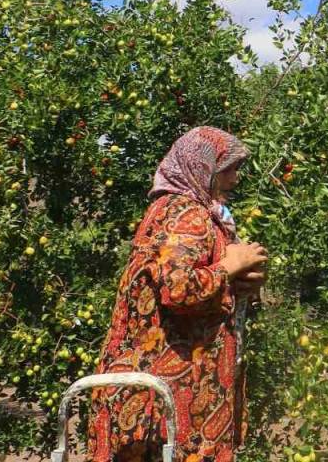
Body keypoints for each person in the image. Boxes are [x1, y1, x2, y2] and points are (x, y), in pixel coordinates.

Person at [88, 126, 268, 462]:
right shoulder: (186, 215)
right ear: (202, 168)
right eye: (228, 169)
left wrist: (240, 281)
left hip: (169, 393)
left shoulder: (176, 211)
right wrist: (230, 266)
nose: (235, 179)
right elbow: (179, 289)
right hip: (170, 398)